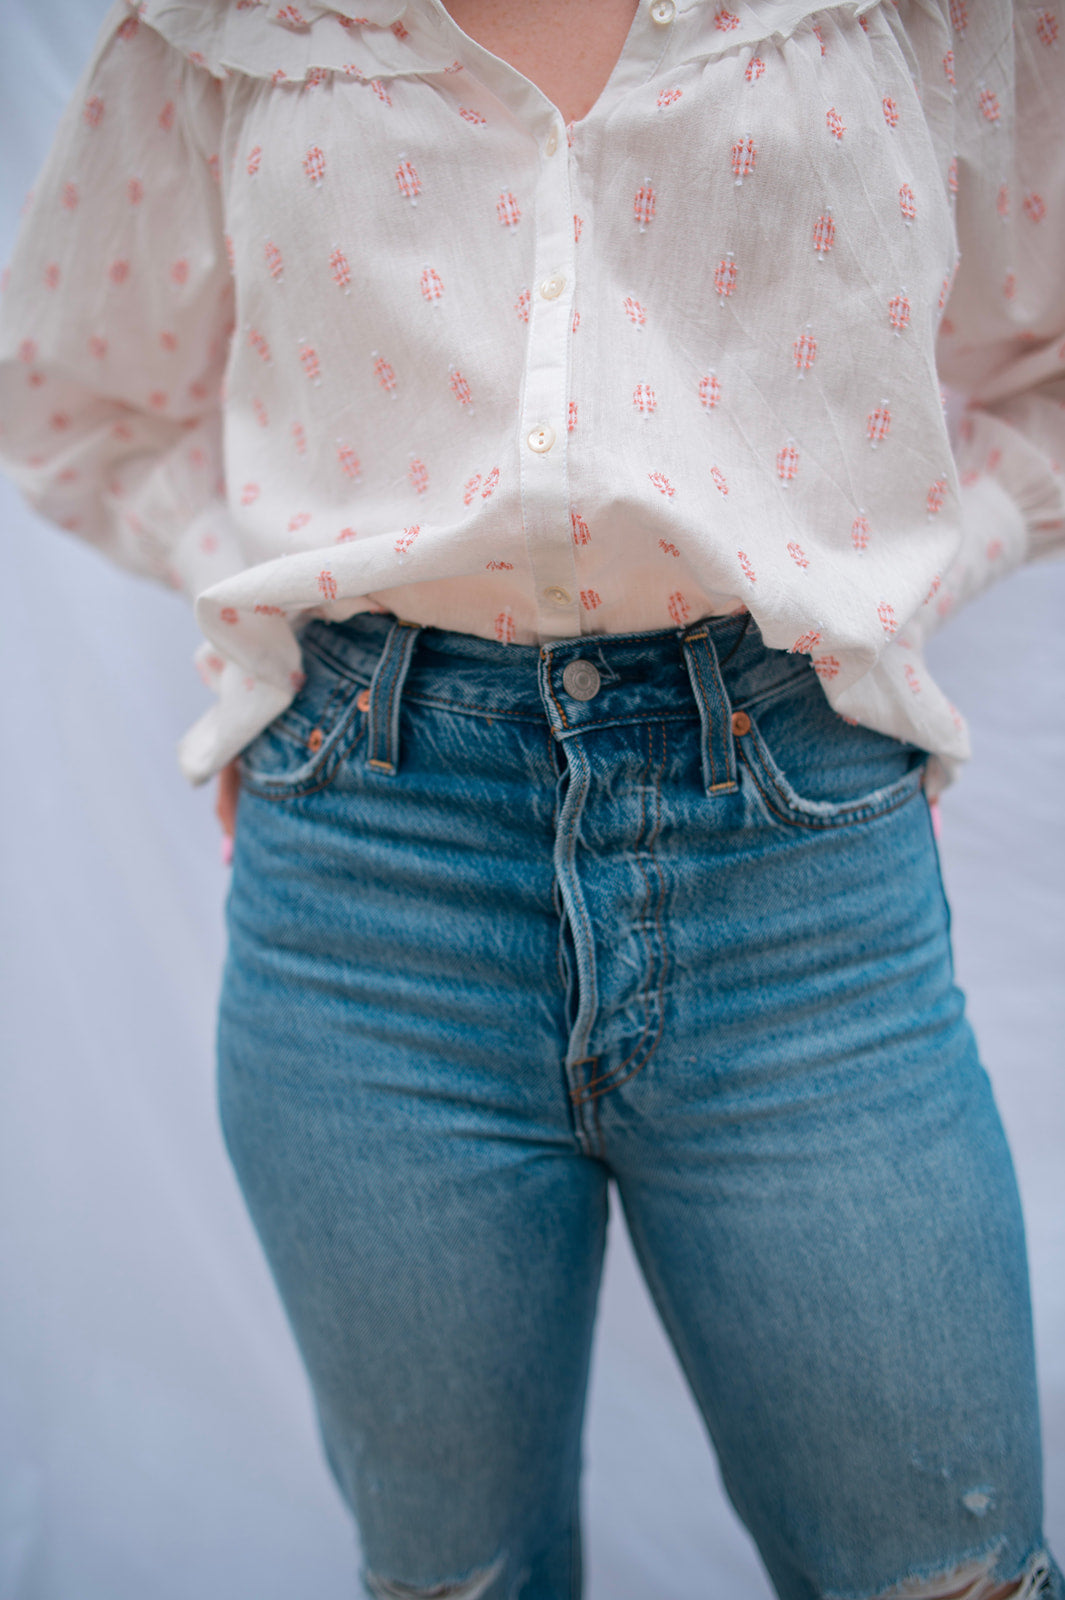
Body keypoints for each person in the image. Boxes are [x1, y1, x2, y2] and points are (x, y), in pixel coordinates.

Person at [0, 0, 1062, 1596]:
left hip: (796, 886)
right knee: (455, 1583)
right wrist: (281, 632)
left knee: (946, 1574)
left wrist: (882, 600)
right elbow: (71, 387)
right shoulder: (233, 22)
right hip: (371, 878)